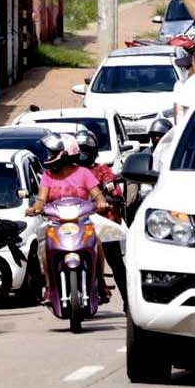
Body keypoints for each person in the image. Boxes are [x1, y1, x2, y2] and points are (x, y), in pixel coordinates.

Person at [26, 134, 110, 301]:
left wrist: (101, 202)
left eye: (53, 153)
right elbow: (41, 199)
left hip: (81, 221)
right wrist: (35, 208)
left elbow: (97, 195)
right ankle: (50, 288)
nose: (49, 156)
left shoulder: (84, 173)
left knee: (97, 244)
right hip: (56, 223)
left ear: (64, 154)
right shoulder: (48, 175)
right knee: (45, 250)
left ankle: (100, 282)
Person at [76, 129, 126, 307]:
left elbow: (114, 191)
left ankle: (128, 301)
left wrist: (111, 197)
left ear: (94, 151)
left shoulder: (103, 171)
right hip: (76, 223)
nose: (82, 154)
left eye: (86, 149)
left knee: (115, 261)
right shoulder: (70, 173)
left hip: (103, 224)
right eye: (79, 149)